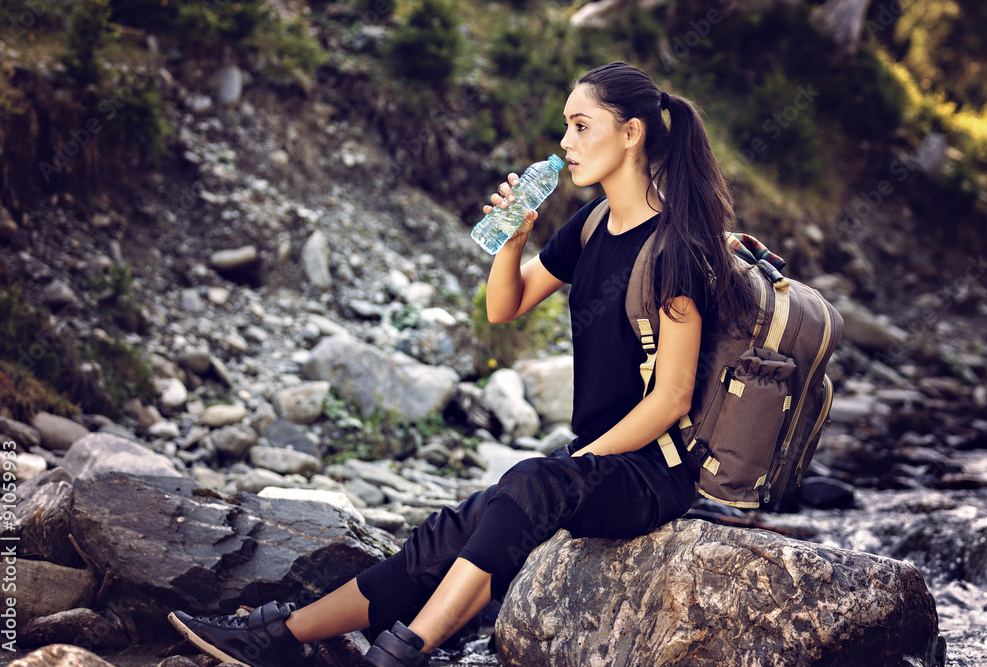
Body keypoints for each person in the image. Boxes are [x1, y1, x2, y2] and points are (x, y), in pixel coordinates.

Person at [168, 61, 759, 667]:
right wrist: (513, 238)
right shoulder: (590, 226)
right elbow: (506, 306)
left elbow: (672, 398)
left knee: (527, 485)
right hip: (593, 464)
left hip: (652, 474)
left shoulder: (675, 250)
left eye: (582, 126)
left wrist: (573, 464)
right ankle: (278, 636)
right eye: (565, 127)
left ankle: (403, 653)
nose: (564, 143)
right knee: (451, 530)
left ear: (631, 133)